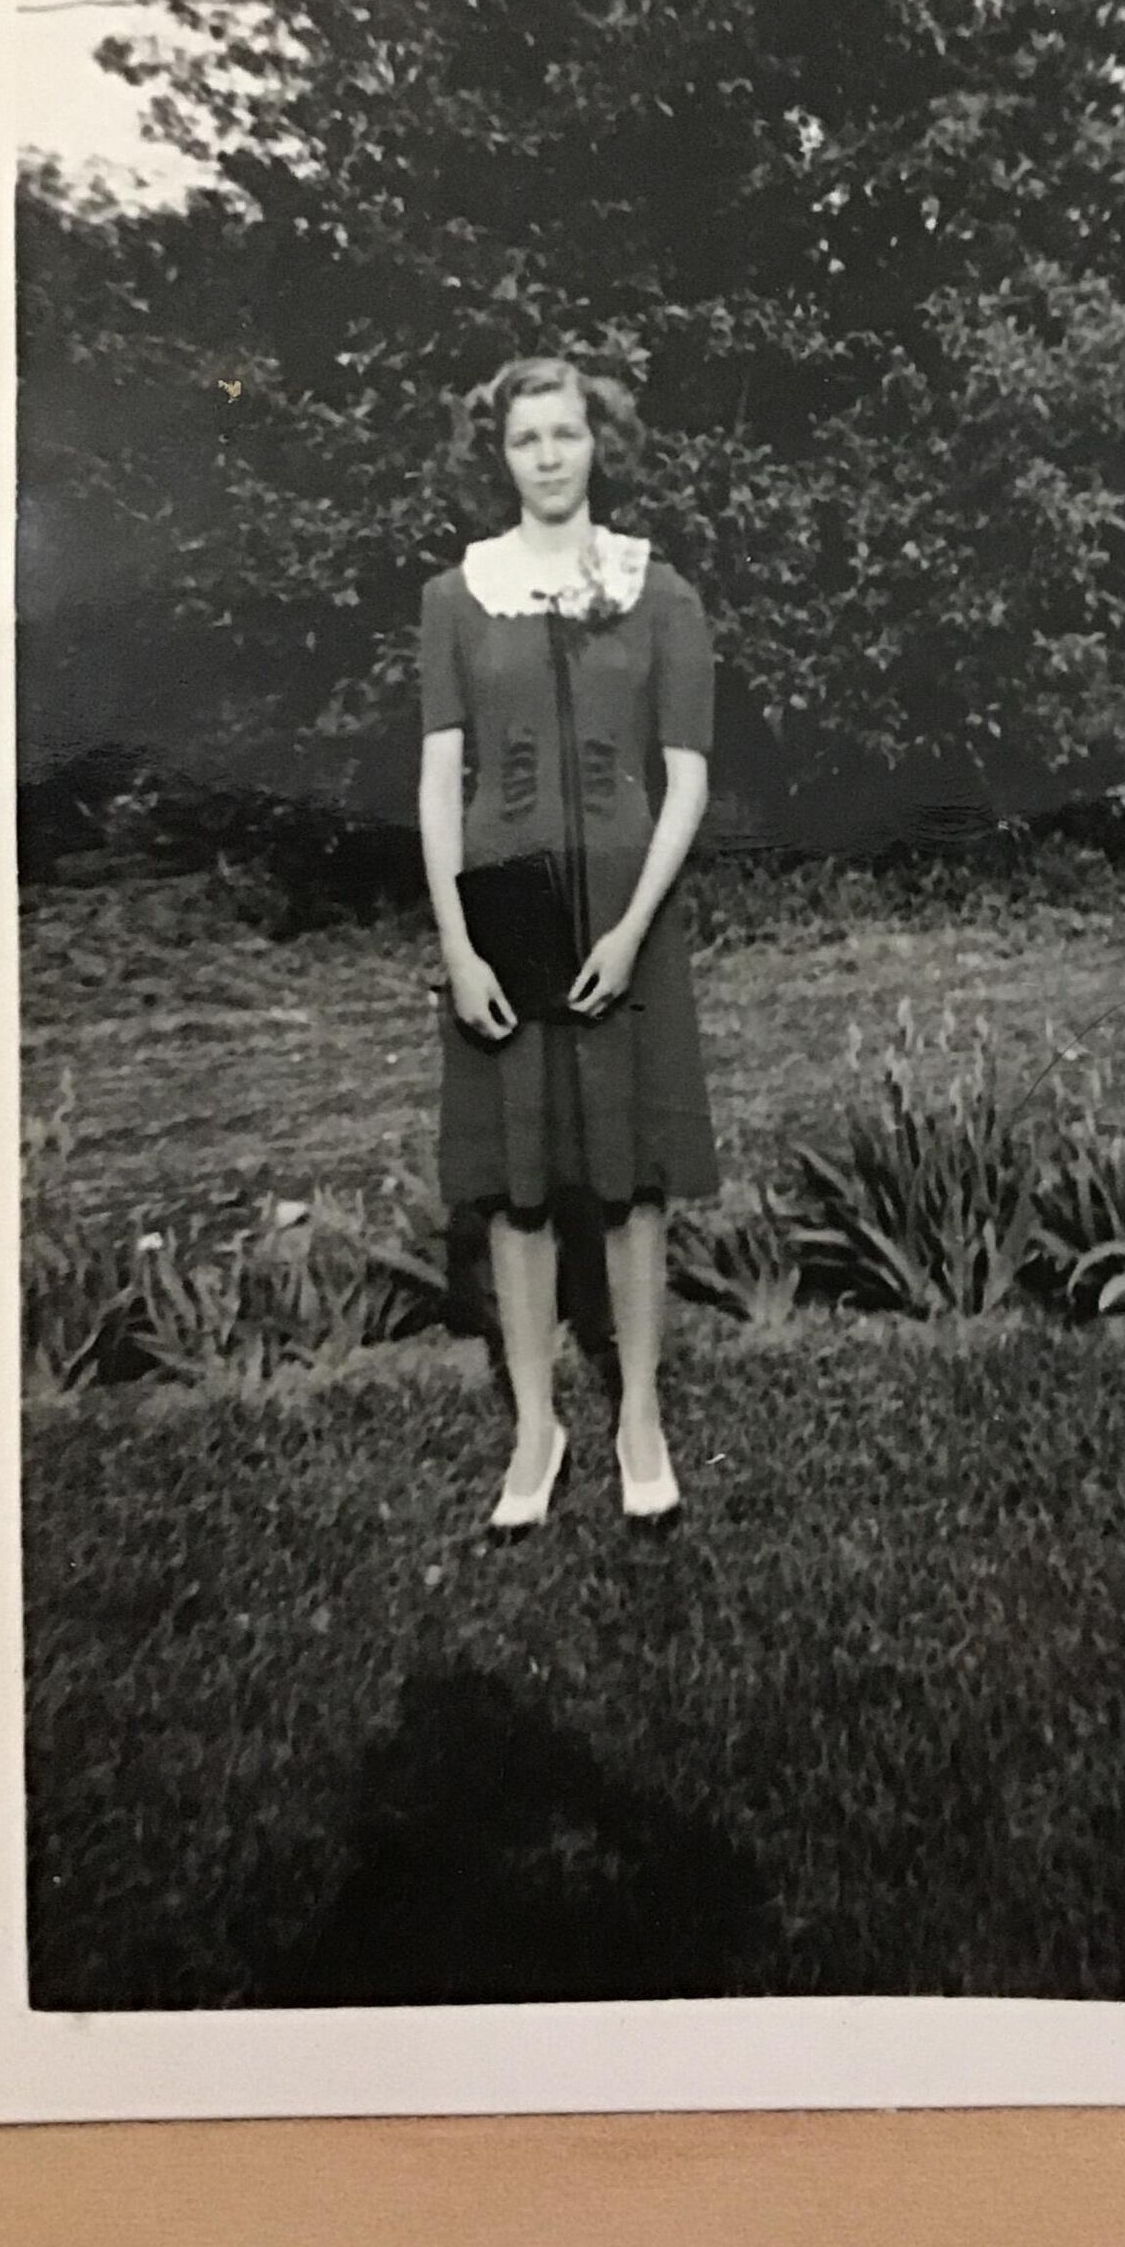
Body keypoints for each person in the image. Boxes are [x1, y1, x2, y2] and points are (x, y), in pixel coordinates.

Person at [416, 354, 720, 1531]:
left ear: (601, 443)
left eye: (565, 433)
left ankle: (639, 1413)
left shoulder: (661, 593)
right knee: (519, 1185)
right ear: (497, 455)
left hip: (628, 905)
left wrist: (636, 928)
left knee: (634, 1180)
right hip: (503, 902)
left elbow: (685, 779)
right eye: (525, 438)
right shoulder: (458, 596)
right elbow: (439, 781)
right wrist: (459, 945)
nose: (547, 455)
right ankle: (536, 1425)